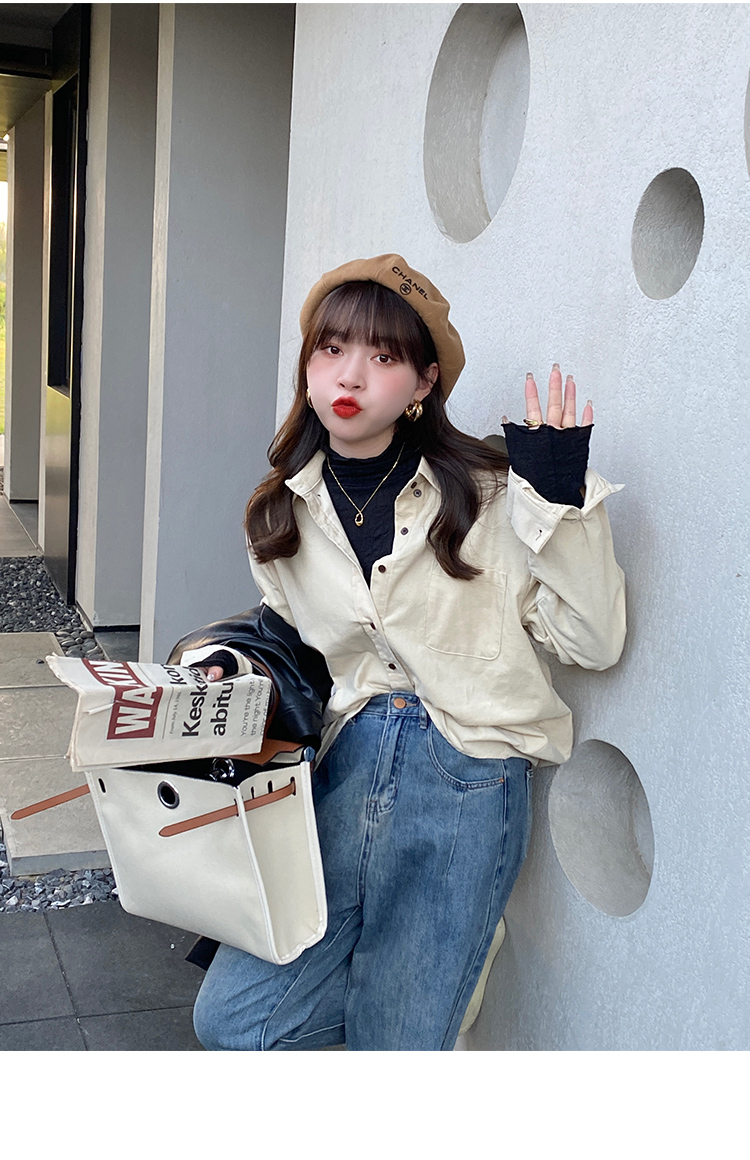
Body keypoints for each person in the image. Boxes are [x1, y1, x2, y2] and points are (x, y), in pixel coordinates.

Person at [184, 253, 626, 1051]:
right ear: (307, 366)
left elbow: (592, 642)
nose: (350, 374)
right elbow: (293, 645)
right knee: (235, 1020)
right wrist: (229, 660)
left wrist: (558, 501)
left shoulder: (492, 497)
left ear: (423, 384)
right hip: (344, 770)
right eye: (331, 349)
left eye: (383, 357)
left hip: (468, 782)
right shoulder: (280, 513)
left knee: (396, 1042)